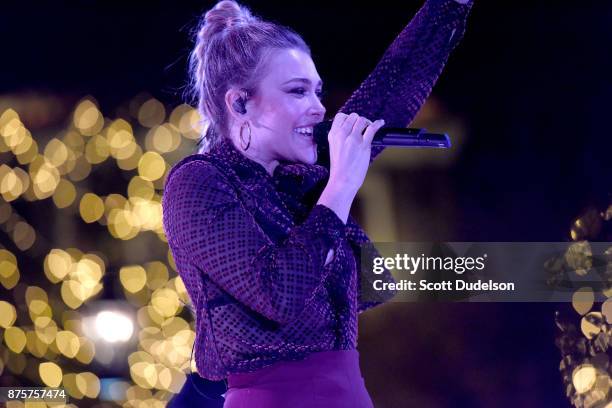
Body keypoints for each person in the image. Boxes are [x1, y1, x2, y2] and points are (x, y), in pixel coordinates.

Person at [162, 0, 473, 406]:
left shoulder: (303, 179)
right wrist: (341, 186)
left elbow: (394, 84)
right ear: (239, 104)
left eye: (318, 91)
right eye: (297, 91)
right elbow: (278, 293)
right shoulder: (199, 183)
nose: (319, 107)